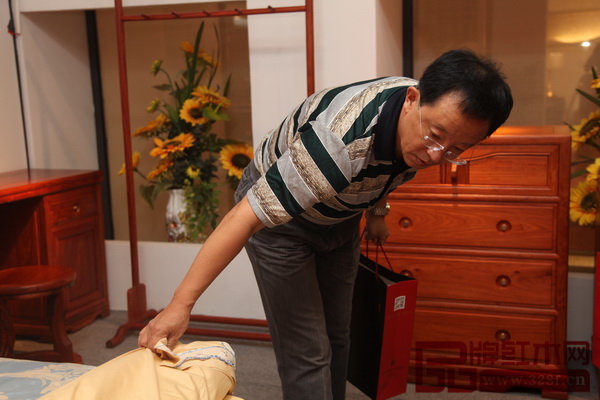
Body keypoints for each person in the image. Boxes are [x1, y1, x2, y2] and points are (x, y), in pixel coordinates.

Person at [138, 49, 513, 400]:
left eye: (455, 150)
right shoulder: (339, 143)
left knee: (338, 335)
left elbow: (391, 166)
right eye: (435, 136)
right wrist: (179, 306)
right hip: (282, 226)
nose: (436, 155)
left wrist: (376, 212)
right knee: (308, 351)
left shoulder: (423, 117)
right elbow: (243, 218)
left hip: (339, 216)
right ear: (412, 99)